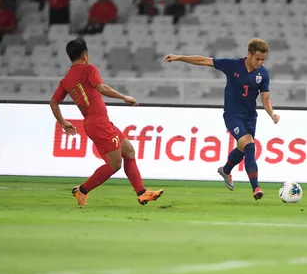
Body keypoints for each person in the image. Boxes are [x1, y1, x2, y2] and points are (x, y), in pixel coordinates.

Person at [50, 38, 164, 206]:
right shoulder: (89, 69)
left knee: (129, 151)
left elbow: (53, 102)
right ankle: (82, 190)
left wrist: (62, 121)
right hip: (99, 123)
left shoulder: (66, 80)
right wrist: (124, 97)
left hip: (97, 122)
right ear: (86, 55)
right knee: (114, 164)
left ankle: (142, 193)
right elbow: (101, 88)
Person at [163, 38, 280, 200]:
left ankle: (225, 170)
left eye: (263, 59)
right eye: (257, 59)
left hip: (250, 117)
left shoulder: (263, 74)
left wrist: (272, 113)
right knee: (250, 146)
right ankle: (256, 187)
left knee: (242, 149)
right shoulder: (232, 65)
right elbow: (204, 60)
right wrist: (179, 57)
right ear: (249, 54)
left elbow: (265, 99)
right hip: (232, 116)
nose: (260, 62)